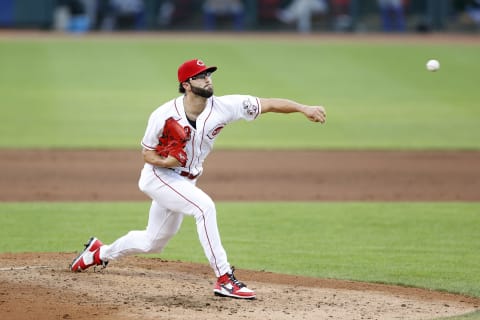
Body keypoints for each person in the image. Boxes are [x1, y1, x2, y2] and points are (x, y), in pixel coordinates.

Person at [70, 58, 327, 300]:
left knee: (153, 241)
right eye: (200, 76)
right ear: (186, 85)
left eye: (208, 75)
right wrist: (164, 161)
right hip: (159, 177)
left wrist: (303, 108)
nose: (207, 80)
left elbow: (268, 103)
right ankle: (225, 278)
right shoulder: (163, 115)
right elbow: (147, 152)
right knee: (204, 207)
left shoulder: (225, 106)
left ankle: (99, 252)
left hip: (185, 181)